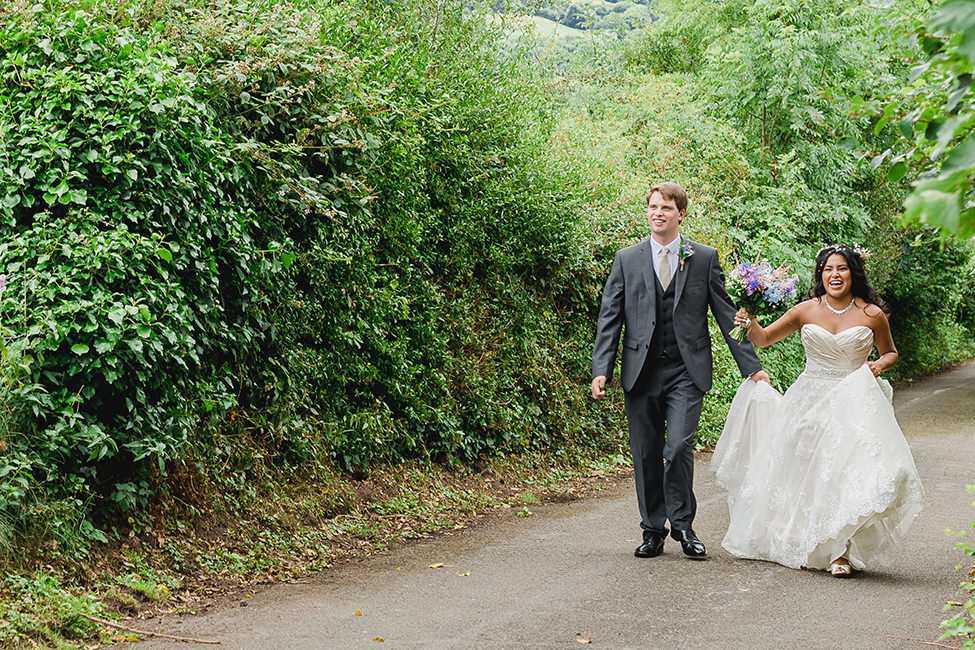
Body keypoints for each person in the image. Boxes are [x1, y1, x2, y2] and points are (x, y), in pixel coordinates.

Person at [711, 244, 924, 577]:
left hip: (854, 396)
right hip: (809, 398)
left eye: (841, 269)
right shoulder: (806, 309)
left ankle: (841, 551)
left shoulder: (871, 314)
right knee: (812, 473)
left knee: (846, 468)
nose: (834, 275)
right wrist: (748, 320)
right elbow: (765, 339)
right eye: (827, 269)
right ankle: (812, 540)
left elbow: (891, 352)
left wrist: (878, 365)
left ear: (853, 273)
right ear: (820, 274)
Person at [591, 182, 769, 560]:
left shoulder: (703, 257)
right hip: (640, 371)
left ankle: (684, 526)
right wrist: (601, 368)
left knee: (679, 446)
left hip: (686, 371)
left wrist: (751, 367)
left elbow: (724, 315)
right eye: (653, 207)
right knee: (645, 452)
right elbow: (610, 318)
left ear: (681, 214)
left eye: (666, 208)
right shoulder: (627, 259)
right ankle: (653, 529)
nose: (658, 213)